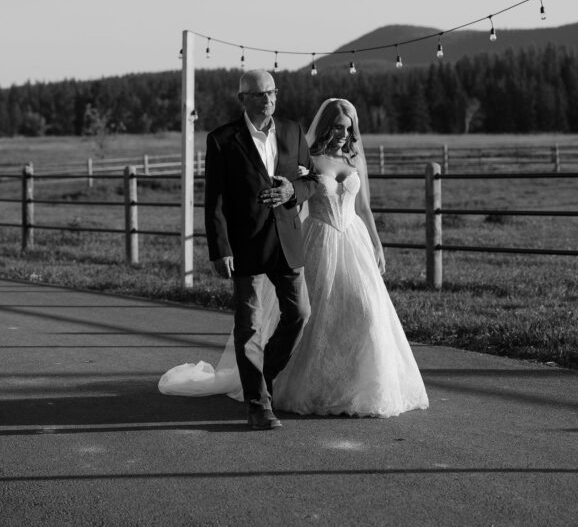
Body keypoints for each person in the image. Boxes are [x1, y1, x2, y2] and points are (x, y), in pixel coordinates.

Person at [159, 97, 428, 419]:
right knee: (310, 317)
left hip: (354, 242)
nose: (345, 134)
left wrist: (378, 244)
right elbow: (296, 194)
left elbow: (364, 207)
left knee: (365, 311)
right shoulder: (310, 156)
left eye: (350, 128)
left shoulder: (354, 157)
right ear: (328, 125)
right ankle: (289, 385)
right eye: (339, 127)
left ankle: (359, 386)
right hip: (319, 238)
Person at [199, 68, 318, 430]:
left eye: (272, 93)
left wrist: (292, 192)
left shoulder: (294, 130)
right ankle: (258, 405)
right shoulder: (222, 140)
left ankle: (262, 378)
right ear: (243, 100)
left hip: (286, 240)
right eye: (259, 95)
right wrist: (220, 249)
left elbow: (311, 179)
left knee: (299, 313)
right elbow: (214, 200)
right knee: (248, 326)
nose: (268, 100)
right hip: (244, 244)